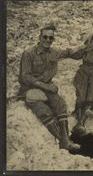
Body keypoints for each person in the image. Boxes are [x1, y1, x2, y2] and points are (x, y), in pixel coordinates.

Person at [18, 23, 81, 151]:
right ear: (39, 37)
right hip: (29, 88)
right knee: (42, 108)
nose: (47, 40)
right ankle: (63, 140)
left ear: (53, 39)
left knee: (60, 104)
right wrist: (45, 87)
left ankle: (65, 140)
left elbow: (69, 53)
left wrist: (86, 47)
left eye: (50, 38)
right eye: (45, 37)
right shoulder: (28, 53)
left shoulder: (54, 52)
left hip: (47, 87)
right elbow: (25, 77)